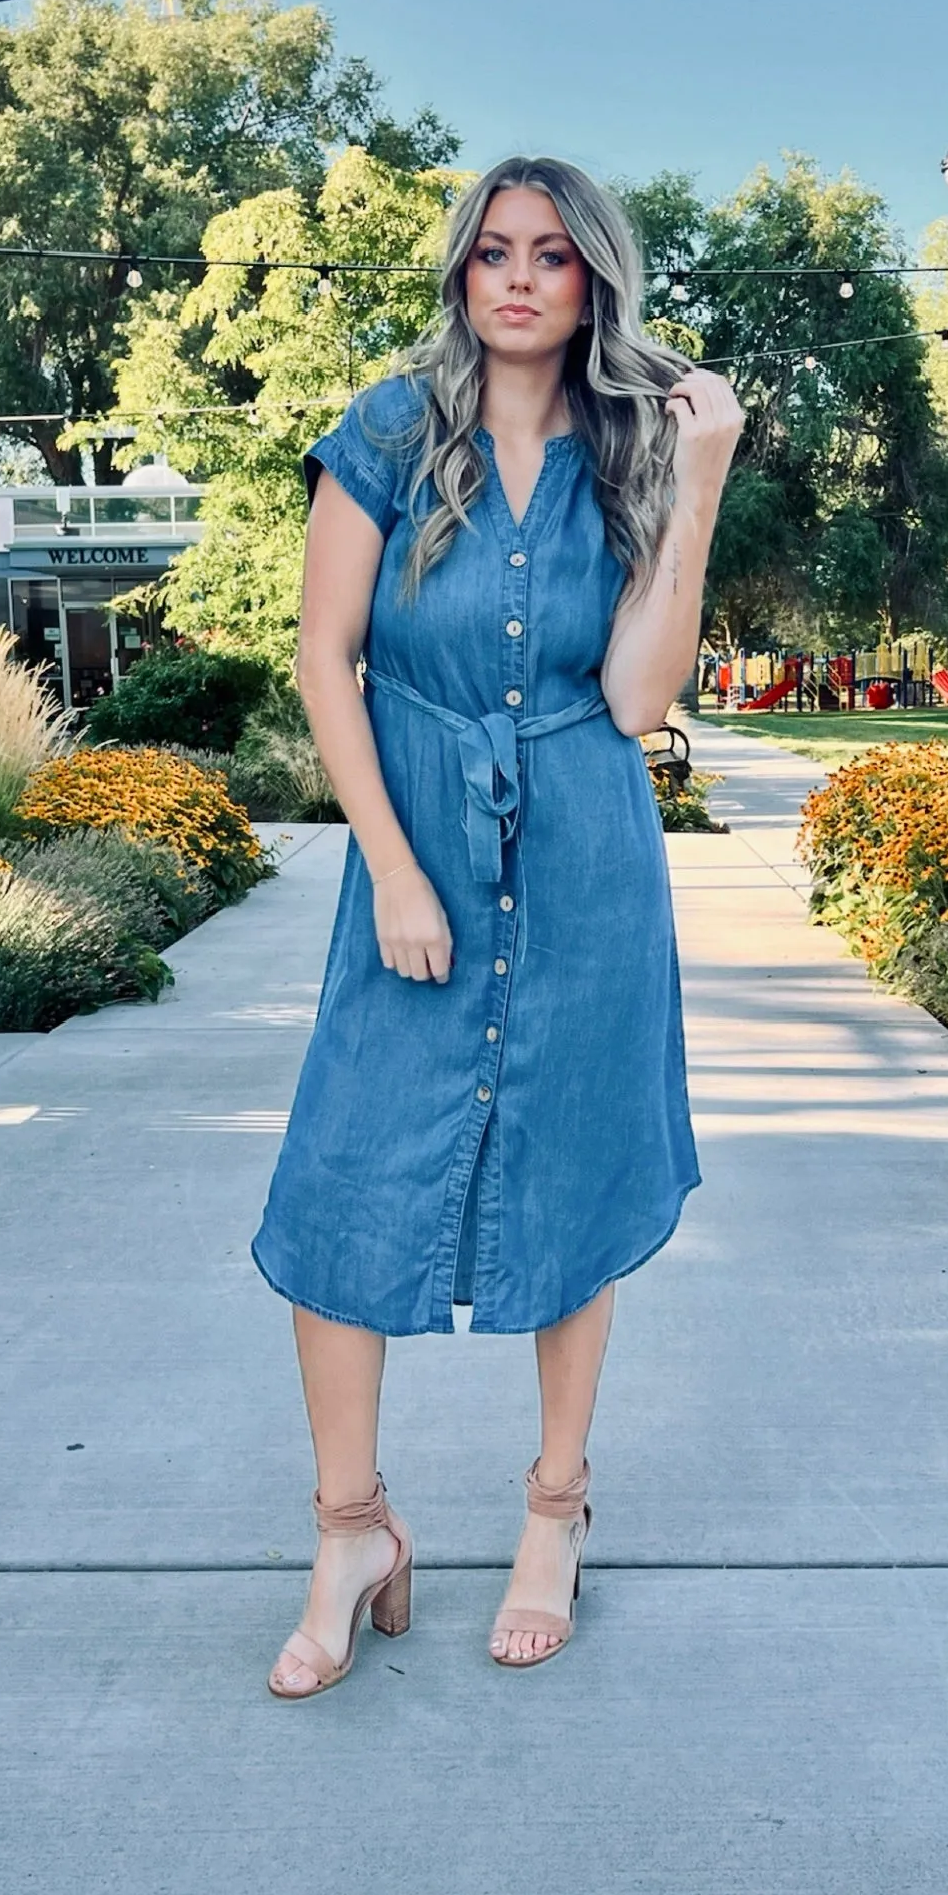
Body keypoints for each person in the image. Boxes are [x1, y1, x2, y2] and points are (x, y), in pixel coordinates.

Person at [253, 155, 742, 1697]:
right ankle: (352, 1530)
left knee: (571, 1170)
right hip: (421, 851)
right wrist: (394, 868)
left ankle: (554, 1511)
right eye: (491, 253)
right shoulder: (393, 431)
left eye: (550, 255)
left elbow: (638, 699)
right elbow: (325, 661)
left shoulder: (633, 453)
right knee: (345, 1182)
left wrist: (705, 472)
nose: (517, 279)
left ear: (593, 279)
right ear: (462, 273)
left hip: (589, 854)